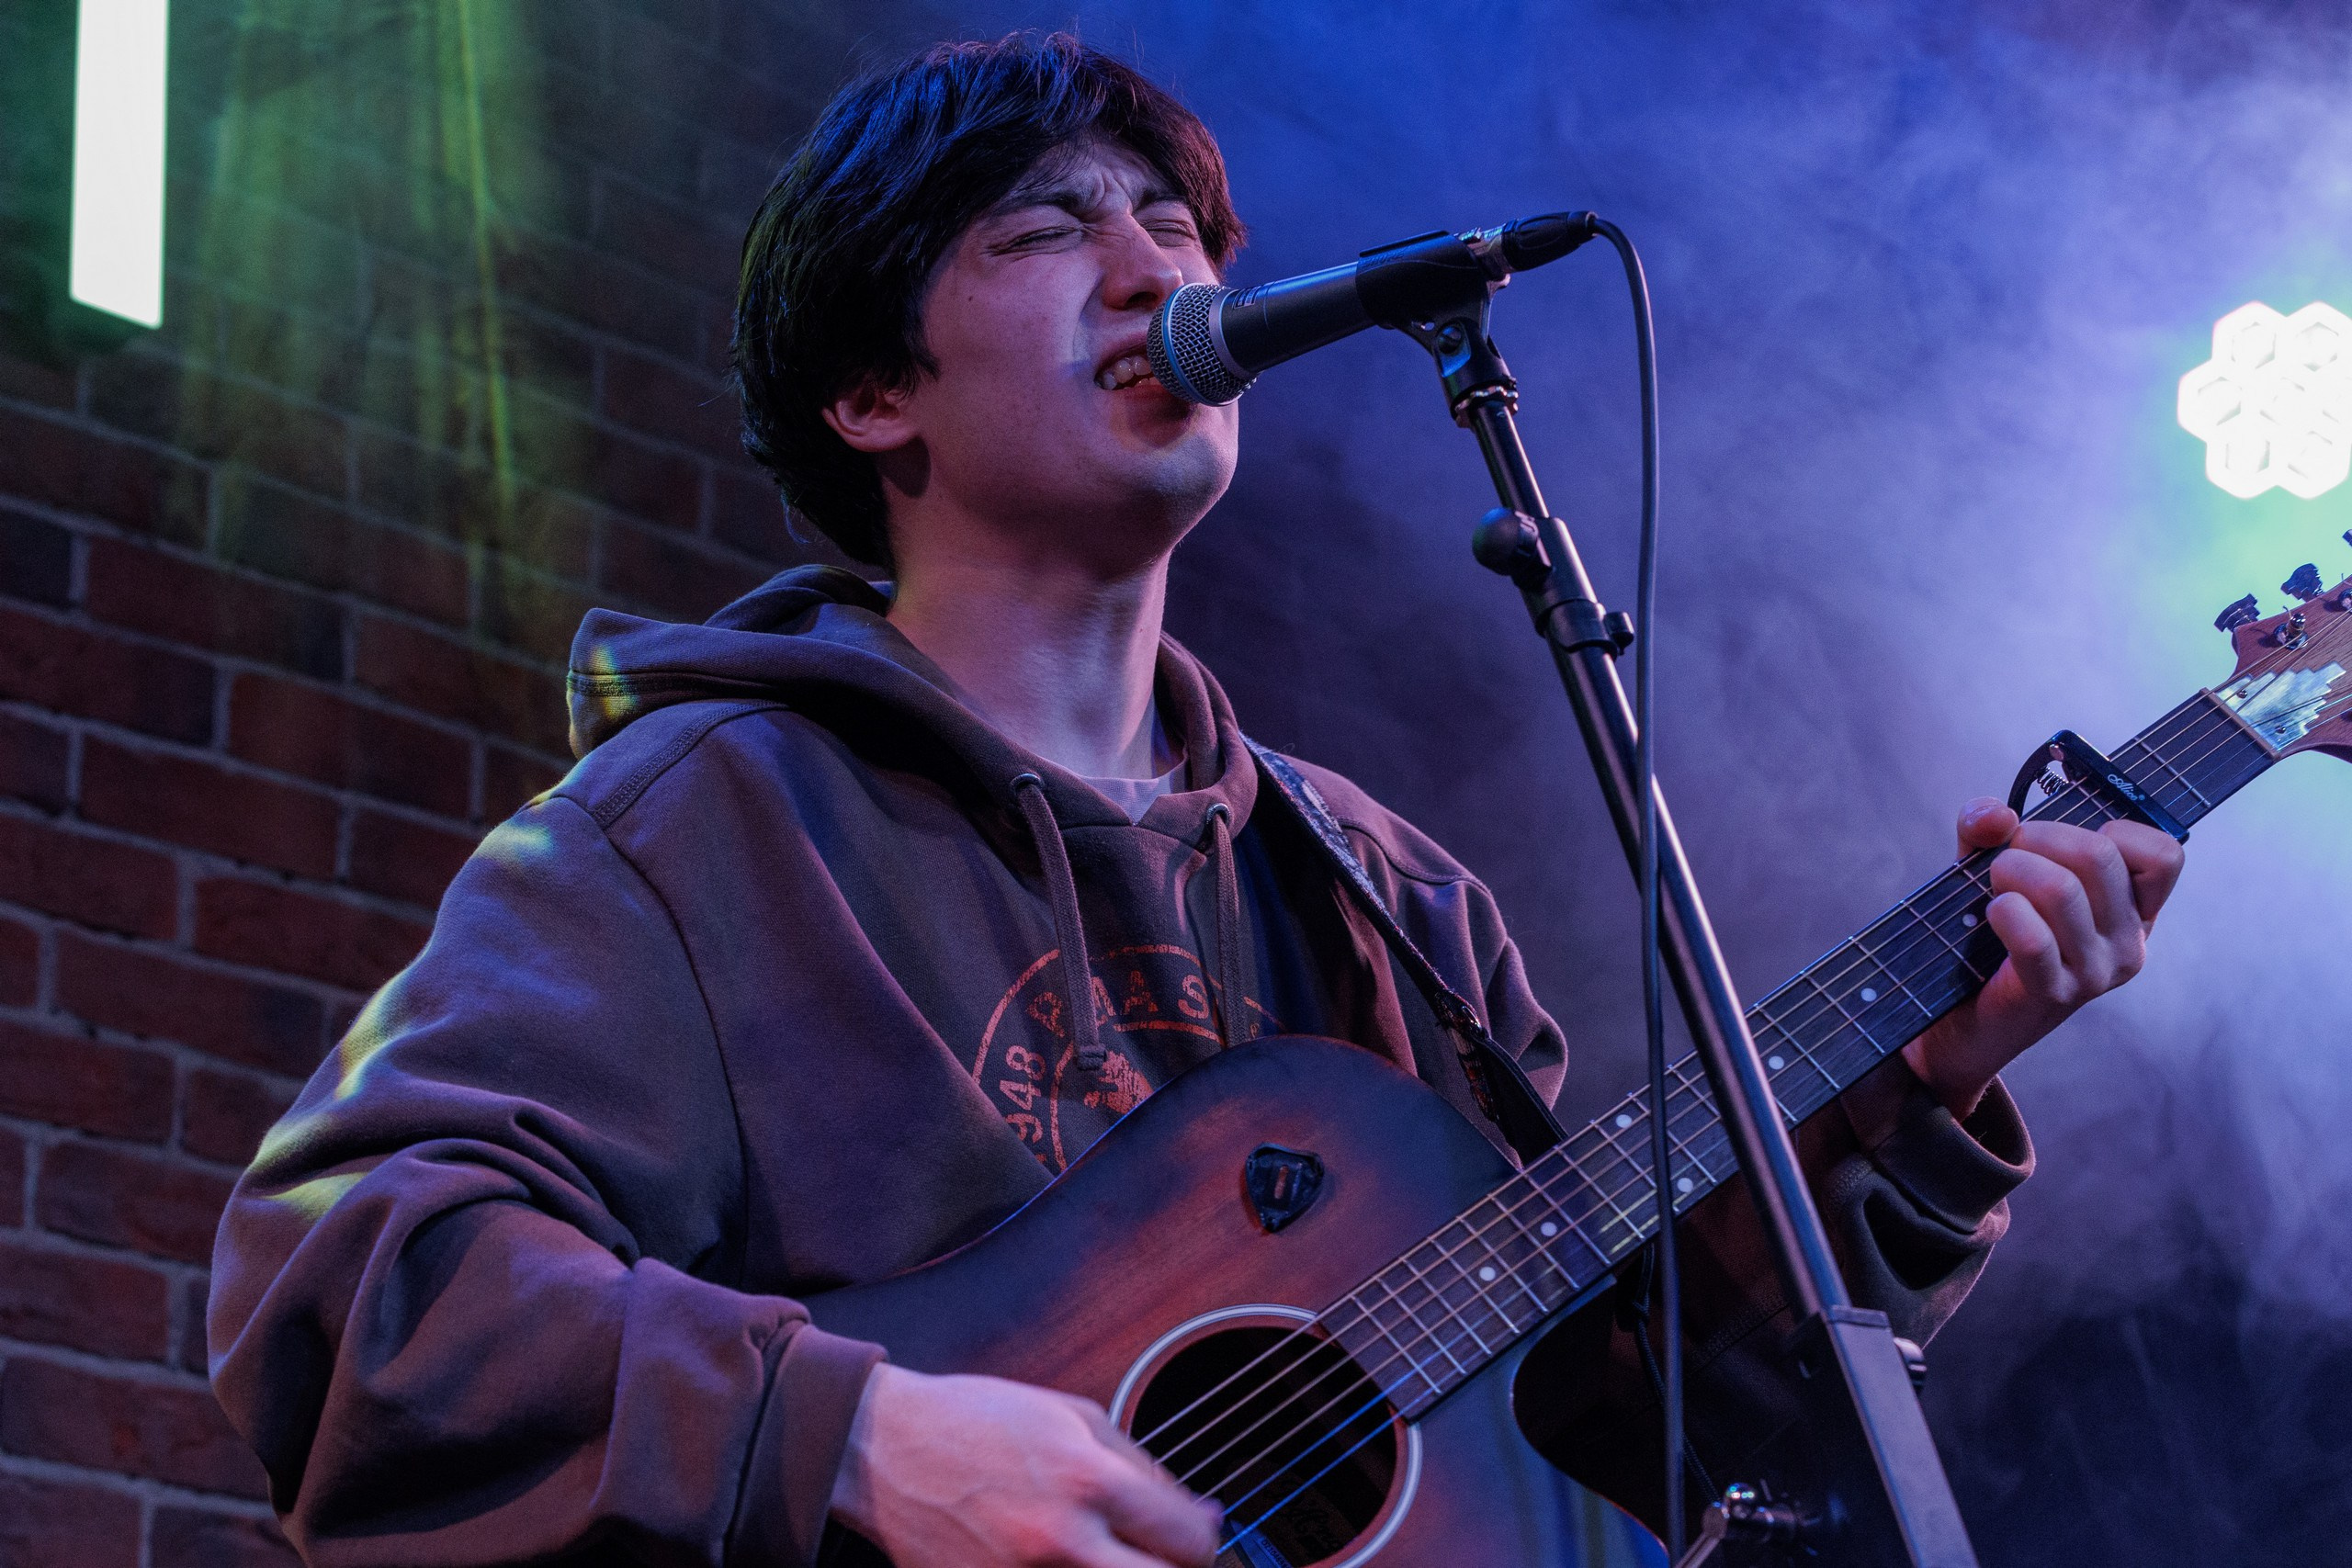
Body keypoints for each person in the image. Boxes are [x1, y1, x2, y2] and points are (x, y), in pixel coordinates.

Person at [208, 32, 2185, 1568]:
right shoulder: (706, 822)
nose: (1154, 259)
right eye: (1047, 226)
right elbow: (354, 1279)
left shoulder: (1391, 896)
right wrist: (861, 1435)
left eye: (1173, 221)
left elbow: (1622, 1428)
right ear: (872, 393)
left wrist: (1922, 1080)